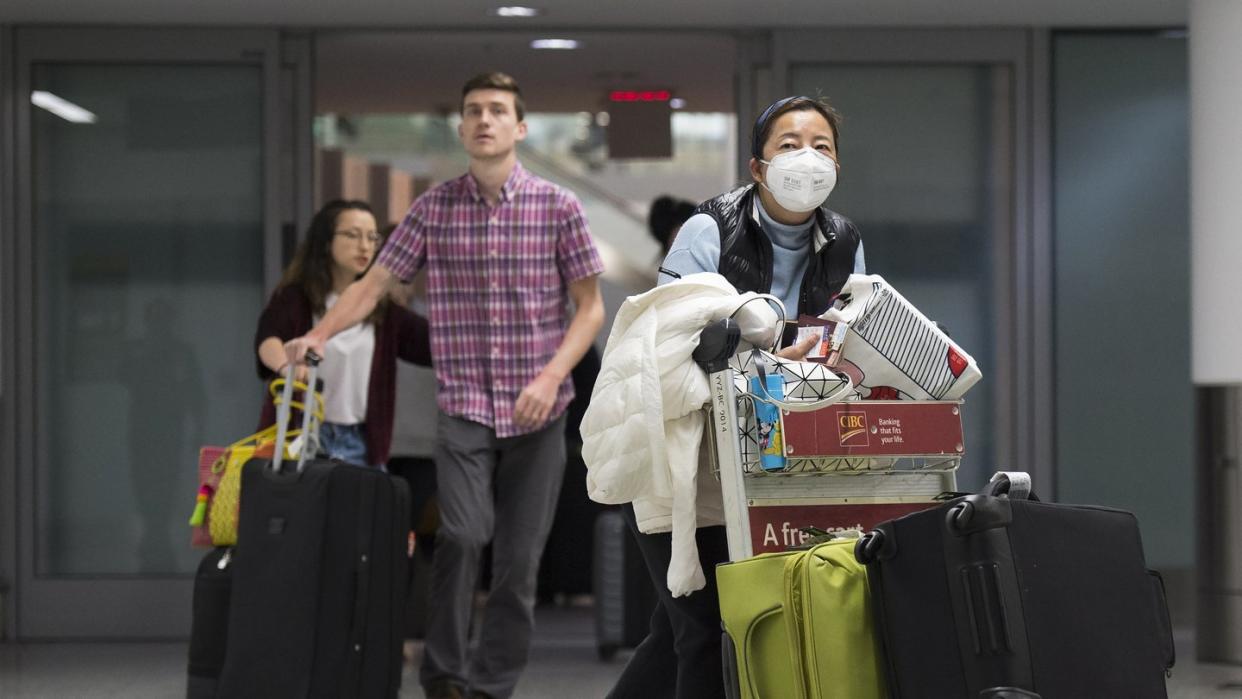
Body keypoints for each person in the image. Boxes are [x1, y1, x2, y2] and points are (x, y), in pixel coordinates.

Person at [282, 72, 605, 699]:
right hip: (464, 408)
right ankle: (445, 674)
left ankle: (492, 683)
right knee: (461, 535)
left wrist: (550, 375)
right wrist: (318, 334)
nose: (484, 120)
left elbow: (589, 307)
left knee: (517, 564)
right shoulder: (434, 208)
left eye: (497, 111)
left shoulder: (558, 206)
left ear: (519, 128)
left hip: (539, 412)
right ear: (461, 128)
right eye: (473, 111)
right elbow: (374, 285)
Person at [607, 95, 866, 699]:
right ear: (757, 167)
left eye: (821, 146)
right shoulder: (710, 227)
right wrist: (761, 346)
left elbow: (855, 334)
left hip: (764, 459)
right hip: (679, 452)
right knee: (701, 624)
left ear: (837, 167)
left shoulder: (845, 240)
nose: (807, 158)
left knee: (680, 628)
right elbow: (664, 338)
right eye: (789, 144)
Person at [254, 199, 431, 468]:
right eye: (353, 235)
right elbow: (268, 339)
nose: (365, 246)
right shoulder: (296, 298)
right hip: (303, 436)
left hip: (360, 442)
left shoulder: (386, 312)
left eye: (372, 238)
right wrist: (285, 367)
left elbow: (434, 344)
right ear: (326, 242)